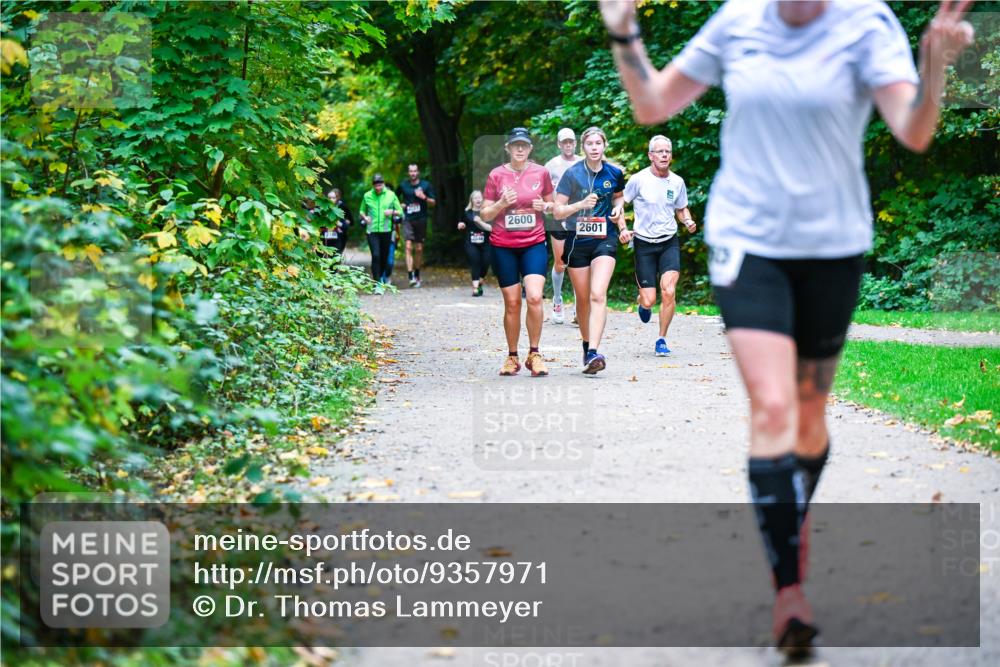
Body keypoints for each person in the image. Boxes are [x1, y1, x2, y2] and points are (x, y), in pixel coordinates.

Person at [600, 0, 974, 656]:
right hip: (749, 241)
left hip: (834, 245)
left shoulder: (867, 23)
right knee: (772, 406)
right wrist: (623, 29)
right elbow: (652, 104)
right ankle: (789, 593)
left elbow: (913, 132)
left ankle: (785, 522)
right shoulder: (737, 20)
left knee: (808, 412)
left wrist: (933, 66)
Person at [481, 127, 555, 377]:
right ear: (508, 148)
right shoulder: (496, 175)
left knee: (534, 297)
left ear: (530, 148)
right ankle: (512, 357)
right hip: (503, 246)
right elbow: (485, 214)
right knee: (512, 303)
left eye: (524, 145)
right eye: (515, 145)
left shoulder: (541, 173)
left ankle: (534, 354)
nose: (520, 149)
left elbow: (553, 205)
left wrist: (544, 205)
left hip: (533, 242)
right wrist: (502, 203)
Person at [552, 126, 627, 375]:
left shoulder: (615, 173)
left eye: (598, 143)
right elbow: (557, 211)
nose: (594, 148)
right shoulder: (572, 174)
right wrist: (581, 204)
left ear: (605, 145)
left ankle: (595, 351)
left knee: (597, 294)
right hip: (577, 242)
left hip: (605, 238)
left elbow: (618, 197)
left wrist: (618, 209)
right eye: (590, 144)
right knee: (583, 299)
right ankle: (587, 347)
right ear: (583, 147)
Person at [620, 135, 696, 356]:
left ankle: (661, 339)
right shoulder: (638, 179)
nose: (664, 155)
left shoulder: (677, 182)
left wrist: (687, 220)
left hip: (668, 242)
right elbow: (619, 204)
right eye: (659, 151)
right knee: (649, 299)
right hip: (644, 243)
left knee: (669, 290)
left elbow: (682, 208)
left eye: (667, 152)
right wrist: (623, 229)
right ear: (650, 155)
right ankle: (643, 303)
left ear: (670, 156)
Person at [543, 128, 583, 324]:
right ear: (559, 144)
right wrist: (547, 205)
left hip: (579, 217)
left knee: (579, 262)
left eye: (571, 142)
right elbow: (543, 191)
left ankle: (579, 306)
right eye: (564, 142)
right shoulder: (550, 165)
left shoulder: (583, 163)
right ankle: (557, 299)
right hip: (557, 217)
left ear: (575, 143)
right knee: (561, 263)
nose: (568, 145)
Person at [358, 173, 402, 284]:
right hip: (372, 230)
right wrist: (365, 217)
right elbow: (361, 210)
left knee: (384, 256)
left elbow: (400, 211)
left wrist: (391, 212)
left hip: (386, 230)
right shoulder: (367, 195)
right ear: (373, 185)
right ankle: (377, 282)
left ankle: (381, 277)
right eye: (376, 185)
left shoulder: (391, 195)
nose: (378, 188)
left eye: (380, 185)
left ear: (383, 184)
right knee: (376, 255)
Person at [397, 164, 436, 287]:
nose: (413, 173)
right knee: (408, 246)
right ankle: (410, 276)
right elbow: (394, 198)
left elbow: (433, 202)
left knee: (419, 248)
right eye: (411, 171)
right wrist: (400, 205)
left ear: (418, 172)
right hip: (408, 219)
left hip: (421, 219)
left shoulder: (425, 185)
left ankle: (417, 273)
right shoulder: (403, 185)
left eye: (415, 171)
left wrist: (424, 197)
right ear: (408, 173)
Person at [459, 190, 492, 297]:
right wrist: (461, 224)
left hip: (486, 243)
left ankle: (480, 282)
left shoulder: (487, 212)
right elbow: (461, 221)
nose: (478, 200)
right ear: (471, 200)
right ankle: (475, 288)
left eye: (479, 197)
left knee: (486, 263)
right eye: (475, 198)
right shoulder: (467, 212)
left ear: (482, 199)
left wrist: (480, 222)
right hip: (471, 243)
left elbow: (491, 228)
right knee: (475, 262)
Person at [323, 188, 354, 256]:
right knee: (326, 256)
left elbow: (350, 221)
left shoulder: (342, 206)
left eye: (333, 198)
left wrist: (342, 224)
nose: (331, 200)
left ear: (337, 198)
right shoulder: (323, 207)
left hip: (339, 235)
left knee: (337, 255)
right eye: (329, 198)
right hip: (326, 235)